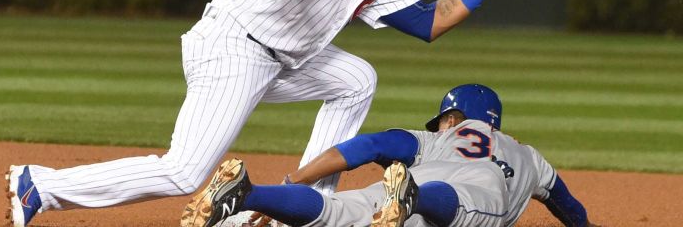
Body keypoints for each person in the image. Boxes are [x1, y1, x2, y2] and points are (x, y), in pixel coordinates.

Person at [6, 0, 517, 226]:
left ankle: (305, 204)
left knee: (356, 79)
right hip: (232, 44)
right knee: (186, 172)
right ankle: (42, 186)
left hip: (282, 59)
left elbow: (431, 22)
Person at [182, 84, 600, 227]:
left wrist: (299, 177)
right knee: (470, 216)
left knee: (335, 213)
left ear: (452, 118)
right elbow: (569, 206)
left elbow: (370, 146)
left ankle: (248, 192)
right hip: (457, 193)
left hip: (410, 182)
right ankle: (412, 197)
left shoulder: (438, 138)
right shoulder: (529, 157)